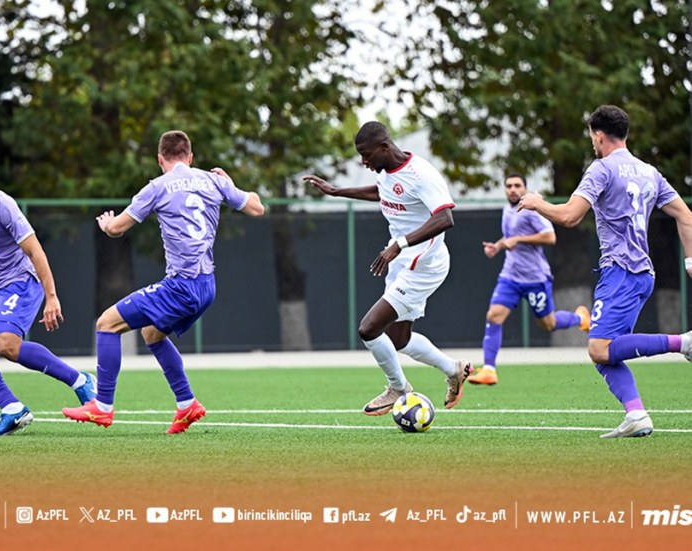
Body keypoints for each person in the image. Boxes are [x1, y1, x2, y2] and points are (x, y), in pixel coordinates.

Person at [62, 130, 265, 433]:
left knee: (106, 324)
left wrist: (106, 225)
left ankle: (102, 406)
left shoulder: (157, 187)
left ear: (160, 159)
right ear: (190, 157)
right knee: (152, 333)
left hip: (181, 286)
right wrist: (231, 184)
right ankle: (186, 404)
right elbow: (258, 208)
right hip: (207, 285)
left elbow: (117, 229)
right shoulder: (213, 180)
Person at [518, 105, 692, 438]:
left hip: (620, 272)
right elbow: (686, 215)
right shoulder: (650, 172)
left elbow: (569, 216)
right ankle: (636, 414)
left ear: (598, 136)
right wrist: (690, 261)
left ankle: (683, 342)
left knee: (599, 348)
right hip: (643, 274)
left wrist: (536, 202)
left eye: (591, 137)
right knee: (606, 353)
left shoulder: (602, 168)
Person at [303, 121, 473, 416]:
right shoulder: (386, 171)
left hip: (423, 265)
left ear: (384, 147)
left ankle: (398, 388)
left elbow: (445, 218)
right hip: (402, 262)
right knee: (398, 340)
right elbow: (382, 192)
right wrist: (336, 191)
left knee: (369, 329)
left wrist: (399, 244)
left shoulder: (421, 174)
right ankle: (453, 369)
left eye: (366, 155)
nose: (364, 162)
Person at [0, 150, 96, 436]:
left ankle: (80, 380)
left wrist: (51, 296)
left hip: (23, 280)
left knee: (5, 345)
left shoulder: (2, 204)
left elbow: (35, 251)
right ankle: (13, 409)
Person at [469, 173, 591, 385]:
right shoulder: (507, 209)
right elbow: (510, 237)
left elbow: (550, 236)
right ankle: (489, 369)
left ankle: (581, 319)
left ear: (525, 188)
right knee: (494, 316)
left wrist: (518, 239)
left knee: (548, 324)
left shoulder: (532, 211)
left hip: (535, 278)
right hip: (510, 276)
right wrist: (497, 246)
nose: (513, 189)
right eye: (509, 186)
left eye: (517, 185)